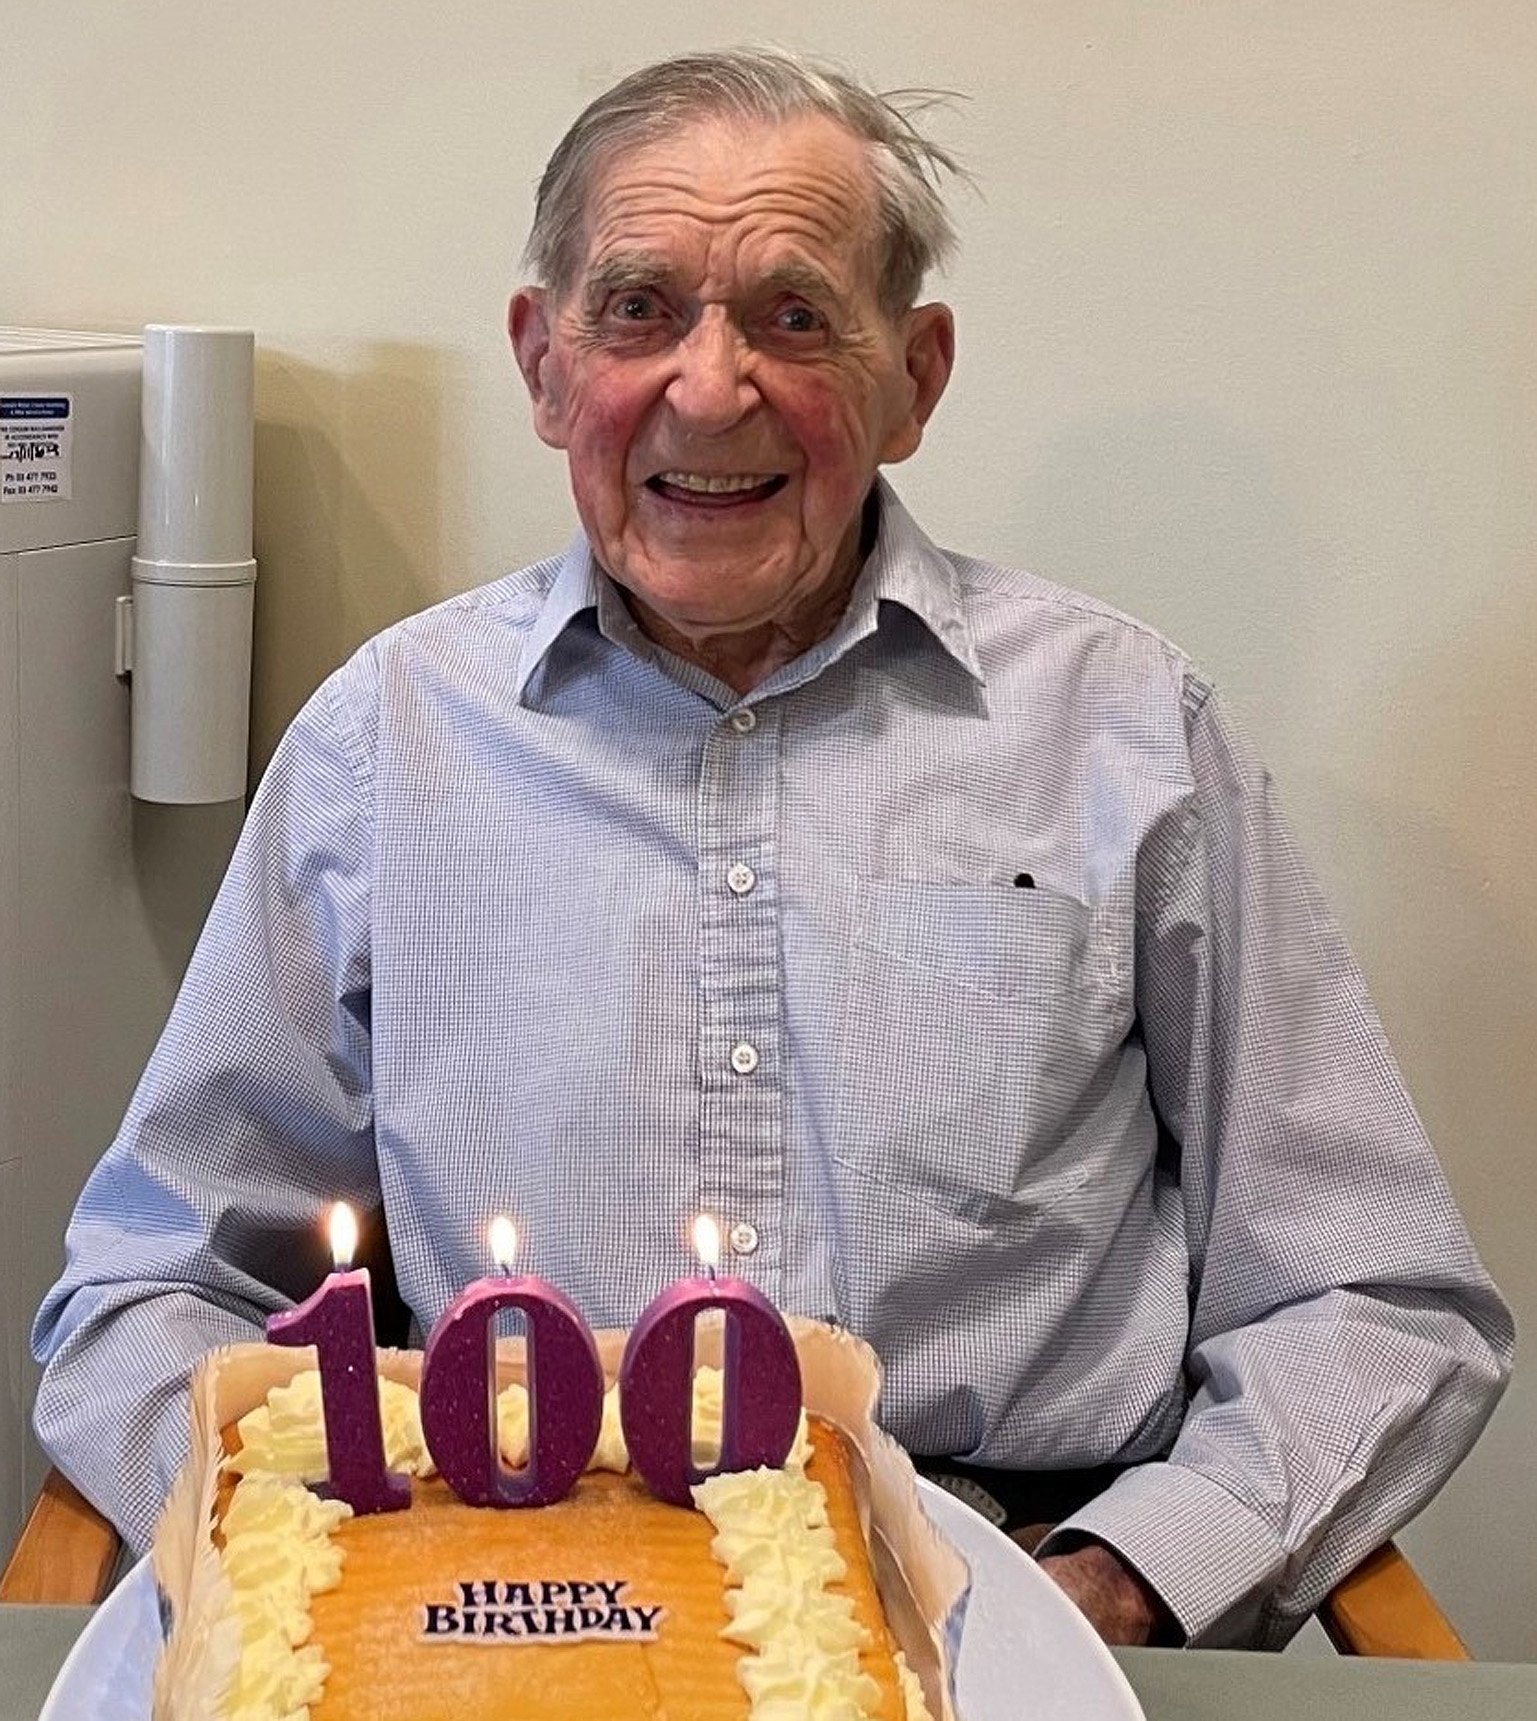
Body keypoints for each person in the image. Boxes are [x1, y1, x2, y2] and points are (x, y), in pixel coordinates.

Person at [33, 48, 1511, 1650]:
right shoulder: (385, 744)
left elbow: (1372, 1296)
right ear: (543, 362)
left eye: (795, 317)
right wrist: (299, 1543)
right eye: (638, 308)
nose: (711, 386)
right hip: (521, 1594)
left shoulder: (1127, 730)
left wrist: (1122, 1578)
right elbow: (144, 1289)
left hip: (1016, 1589)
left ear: (914, 377)